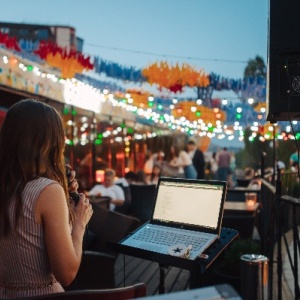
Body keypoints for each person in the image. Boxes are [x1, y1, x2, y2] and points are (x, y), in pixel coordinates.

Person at [0, 99, 93, 299]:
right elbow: (66, 274)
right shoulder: (48, 191)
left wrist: (64, 201)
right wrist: (79, 224)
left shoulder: (8, 187)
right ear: (50, 142)